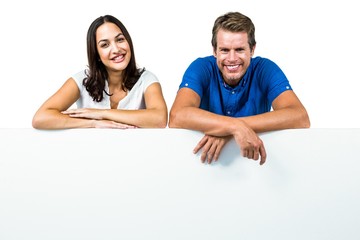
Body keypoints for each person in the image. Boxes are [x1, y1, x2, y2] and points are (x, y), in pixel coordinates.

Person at [169, 11, 310, 165]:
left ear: (252, 49)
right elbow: (177, 116)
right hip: (204, 164)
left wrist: (230, 128)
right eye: (224, 50)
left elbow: (300, 117)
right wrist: (234, 126)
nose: (232, 58)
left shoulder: (265, 69)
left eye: (239, 50)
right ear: (214, 50)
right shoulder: (201, 67)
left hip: (255, 166)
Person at [32, 15, 167, 130]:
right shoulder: (81, 80)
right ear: (96, 54)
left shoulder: (147, 79)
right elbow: (41, 118)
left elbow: (159, 119)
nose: (116, 49)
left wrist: (101, 113)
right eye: (105, 45)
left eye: (120, 39)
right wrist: (93, 122)